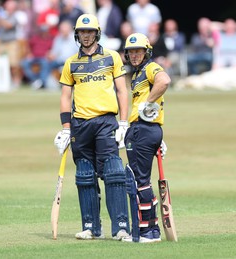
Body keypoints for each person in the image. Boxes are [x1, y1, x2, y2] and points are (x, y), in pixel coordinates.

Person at [54, 14, 130, 241]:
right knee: (85, 175)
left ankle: (121, 227)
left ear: (97, 33)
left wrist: (124, 122)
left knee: (114, 173)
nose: (86, 36)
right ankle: (91, 227)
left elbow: (122, 91)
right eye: (82, 32)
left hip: (106, 122)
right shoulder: (71, 63)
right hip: (80, 124)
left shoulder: (112, 57)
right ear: (77, 35)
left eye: (89, 32)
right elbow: (65, 96)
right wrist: (66, 128)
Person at [121, 32, 170, 243]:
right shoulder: (137, 74)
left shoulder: (150, 68)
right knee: (142, 181)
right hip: (146, 129)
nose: (134, 55)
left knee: (140, 181)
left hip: (143, 129)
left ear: (146, 52)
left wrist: (148, 103)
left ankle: (147, 232)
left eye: (138, 51)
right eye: (131, 52)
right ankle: (151, 229)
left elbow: (165, 81)